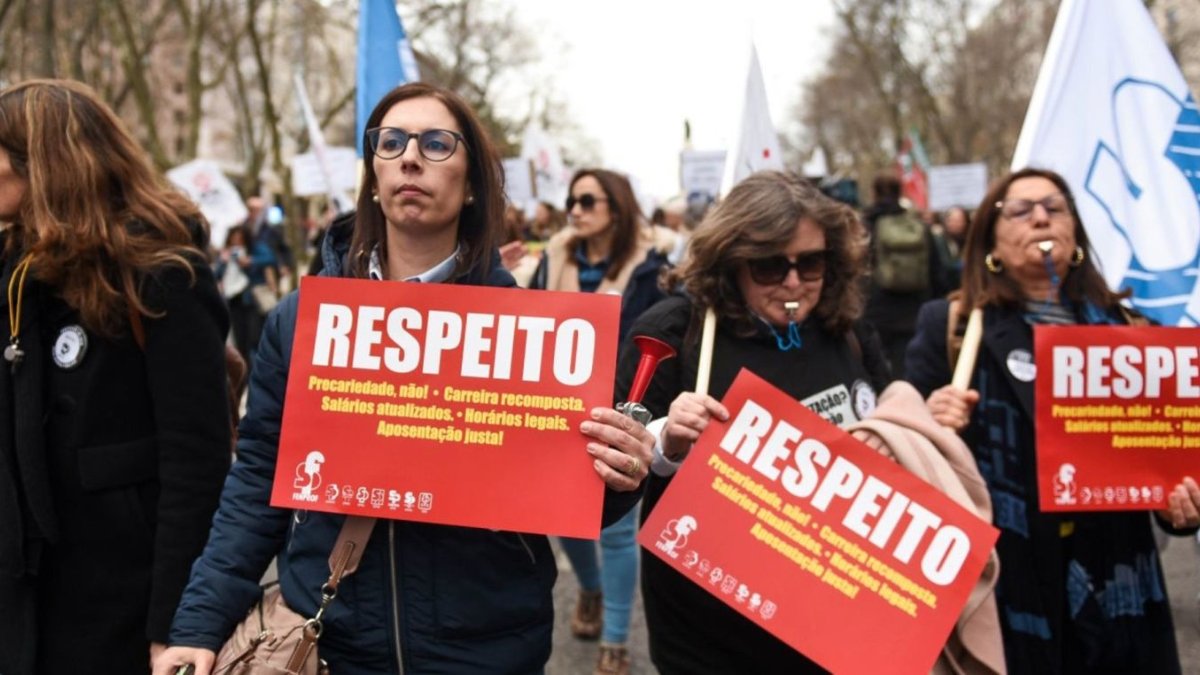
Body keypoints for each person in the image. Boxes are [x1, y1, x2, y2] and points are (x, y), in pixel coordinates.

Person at [154, 82, 654, 675]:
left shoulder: (532, 333)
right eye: (391, 143)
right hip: (334, 644)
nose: (410, 157)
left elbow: (564, 498)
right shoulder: (303, 321)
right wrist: (198, 624)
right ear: (372, 176)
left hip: (485, 647)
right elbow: (260, 475)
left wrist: (619, 477)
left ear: (471, 186)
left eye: (437, 144)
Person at [905, 168, 1200, 674]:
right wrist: (930, 423)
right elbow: (906, 452)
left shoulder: (1131, 330)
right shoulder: (952, 327)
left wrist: (1181, 505)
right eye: (1020, 210)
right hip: (1011, 575)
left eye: (1055, 207)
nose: (1041, 216)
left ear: (1075, 231)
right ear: (990, 240)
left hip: (1118, 572)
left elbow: (1162, 459)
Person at [616, 171, 891, 674]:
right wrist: (664, 443)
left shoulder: (845, 328)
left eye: (810, 263)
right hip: (711, 634)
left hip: (830, 620)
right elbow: (605, 491)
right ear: (730, 264)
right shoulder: (674, 334)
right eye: (768, 266)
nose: (792, 282)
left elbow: (888, 424)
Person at [0, 79, 232, 675]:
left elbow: (196, 461)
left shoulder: (159, 276)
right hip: (25, 596)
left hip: (120, 604)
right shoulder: (17, 272)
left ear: (45, 163)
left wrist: (173, 624)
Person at [529, 168, 673, 675]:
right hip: (557, 410)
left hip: (621, 409)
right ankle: (588, 589)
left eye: (588, 200)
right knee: (562, 516)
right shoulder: (551, 260)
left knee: (616, 530)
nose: (576, 209)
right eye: (572, 200)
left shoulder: (650, 268)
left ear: (616, 205)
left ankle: (614, 637)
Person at [862, 174, 950, 375]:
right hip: (916, 310)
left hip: (877, 312)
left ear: (874, 193)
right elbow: (938, 272)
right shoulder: (918, 226)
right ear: (899, 193)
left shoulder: (864, 227)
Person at [213, 224, 276, 363]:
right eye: (233, 238)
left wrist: (250, 261)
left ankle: (256, 370)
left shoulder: (255, 250)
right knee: (240, 340)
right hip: (234, 301)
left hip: (252, 300)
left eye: (239, 238)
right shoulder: (226, 254)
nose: (236, 241)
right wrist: (223, 261)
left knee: (254, 338)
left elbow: (271, 258)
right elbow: (216, 275)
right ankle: (246, 373)